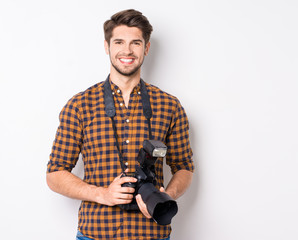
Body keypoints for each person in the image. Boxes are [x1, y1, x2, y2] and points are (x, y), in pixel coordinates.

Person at [46, 9, 194, 240]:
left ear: (146, 48)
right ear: (107, 46)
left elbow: (184, 166)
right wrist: (102, 194)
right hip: (95, 233)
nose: (127, 50)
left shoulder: (169, 106)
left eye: (136, 43)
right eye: (119, 42)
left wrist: (167, 195)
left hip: (151, 233)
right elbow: (55, 173)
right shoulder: (80, 105)